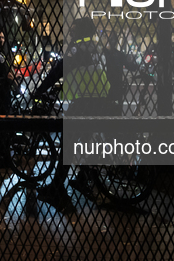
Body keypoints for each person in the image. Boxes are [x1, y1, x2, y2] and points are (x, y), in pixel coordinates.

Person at [33, 17, 111, 212]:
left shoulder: (78, 48)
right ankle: (83, 178)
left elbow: (59, 70)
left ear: (82, 31)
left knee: (68, 142)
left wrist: (40, 90)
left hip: (85, 101)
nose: (70, 33)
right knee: (83, 140)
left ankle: (57, 188)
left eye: (73, 29)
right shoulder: (95, 47)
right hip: (99, 99)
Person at [102, 32, 137, 116]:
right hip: (107, 86)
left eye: (114, 39)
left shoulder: (116, 54)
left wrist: (135, 63)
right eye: (110, 39)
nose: (112, 41)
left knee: (114, 110)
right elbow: (131, 66)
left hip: (114, 86)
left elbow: (131, 66)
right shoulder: (112, 54)